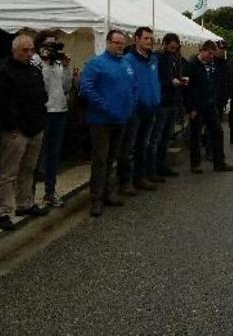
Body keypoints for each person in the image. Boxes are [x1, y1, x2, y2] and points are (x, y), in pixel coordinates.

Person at [0, 34, 49, 231]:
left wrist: (39, 120)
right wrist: (12, 126)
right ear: (14, 50)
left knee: (28, 169)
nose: (29, 53)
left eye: (31, 49)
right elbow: (0, 104)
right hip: (16, 131)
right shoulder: (4, 72)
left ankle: (25, 204)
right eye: (24, 50)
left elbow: (42, 95)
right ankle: (3, 212)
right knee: (8, 173)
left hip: (35, 127)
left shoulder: (34, 70)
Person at [79, 30, 136, 217]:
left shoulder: (126, 63)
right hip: (101, 121)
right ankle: (96, 199)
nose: (120, 46)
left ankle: (108, 193)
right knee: (100, 160)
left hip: (120, 119)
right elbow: (86, 88)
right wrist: (104, 105)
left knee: (112, 158)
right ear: (108, 42)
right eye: (117, 43)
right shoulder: (96, 64)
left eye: (123, 43)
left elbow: (132, 86)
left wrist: (130, 104)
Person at [32, 30, 73, 207]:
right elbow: (43, 87)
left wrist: (66, 67)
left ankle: (50, 192)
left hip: (60, 111)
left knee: (54, 154)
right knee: (36, 155)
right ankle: (29, 194)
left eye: (53, 44)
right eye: (47, 44)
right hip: (43, 112)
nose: (51, 48)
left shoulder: (57, 62)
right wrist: (46, 62)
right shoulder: (35, 62)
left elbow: (65, 86)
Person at [119, 27, 162, 194]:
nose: (150, 41)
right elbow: (127, 86)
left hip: (150, 109)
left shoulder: (153, 60)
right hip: (135, 111)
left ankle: (140, 177)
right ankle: (125, 181)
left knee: (142, 146)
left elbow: (154, 82)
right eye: (146, 38)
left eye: (151, 38)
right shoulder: (128, 60)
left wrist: (156, 99)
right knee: (128, 148)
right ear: (137, 39)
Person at [184, 40, 233, 173]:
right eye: (209, 53)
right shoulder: (192, 65)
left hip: (211, 105)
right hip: (197, 107)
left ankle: (219, 162)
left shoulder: (212, 64)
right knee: (195, 135)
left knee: (218, 132)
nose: (211, 56)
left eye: (213, 54)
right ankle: (195, 164)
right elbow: (187, 89)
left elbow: (214, 84)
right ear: (203, 51)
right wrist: (190, 108)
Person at [149, 33, 182, 178]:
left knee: (166, 137)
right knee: (156, 137)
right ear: (165, 44)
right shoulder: (157, 58)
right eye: (171, 46)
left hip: (173, 101)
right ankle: (152, 169)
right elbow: (154, 80)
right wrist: (170, 82)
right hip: (162, 103)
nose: (173, 49)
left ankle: (162, 166)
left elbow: (175, 75)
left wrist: (180, 81)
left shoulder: (175, 58)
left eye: (175, 47)